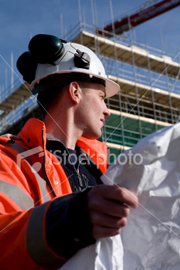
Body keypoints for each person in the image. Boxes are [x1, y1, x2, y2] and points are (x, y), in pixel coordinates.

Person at [0, 34, 138, 269]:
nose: (107, 111)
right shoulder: (8, 159)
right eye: (102, 97)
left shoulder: (102, 170)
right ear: (75, 92)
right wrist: (72, 219)